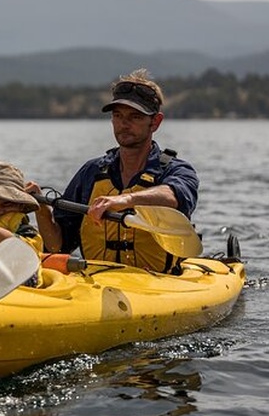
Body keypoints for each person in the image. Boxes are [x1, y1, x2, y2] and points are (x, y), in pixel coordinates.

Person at [29, 69, 199, 274]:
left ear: (155, 122)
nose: (124, 124)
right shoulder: (91, 173)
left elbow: (174, 195)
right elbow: (57, 246)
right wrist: (40, 207)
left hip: (158, 283)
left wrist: (125, 200)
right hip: (98, 282)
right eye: (118, 116)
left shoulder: (178, 170)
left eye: (135, 117)